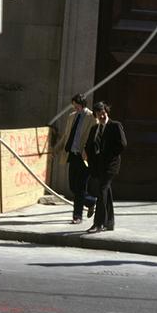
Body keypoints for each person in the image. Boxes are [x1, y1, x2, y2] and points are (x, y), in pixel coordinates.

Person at [53, 93, 97, 224]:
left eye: (76, 105)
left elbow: (95, 138)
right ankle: (91, 201)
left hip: (84, 157)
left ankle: (77, 216)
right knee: (73, 186)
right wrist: (56, 149)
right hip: (72, 155)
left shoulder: (91, 117)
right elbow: (66, 136)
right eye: (73, 105)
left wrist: (88, 151)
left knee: (80, 187)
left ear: (82, 104)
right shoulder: (71, 117)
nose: (74, 107)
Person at [84, 101, 127, 233]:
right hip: (97, 166)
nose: (101, 116)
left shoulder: (115, 126)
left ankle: (98, 223)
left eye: (103, 113)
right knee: (106, 192)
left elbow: (122, 144)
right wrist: (88, 156)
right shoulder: (94, 129)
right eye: (98, 114)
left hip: (110, 165)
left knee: (102, 190)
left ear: (106, 112)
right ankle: (110, 222)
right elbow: (89, 146)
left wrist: (107, 155)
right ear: (95, 115)